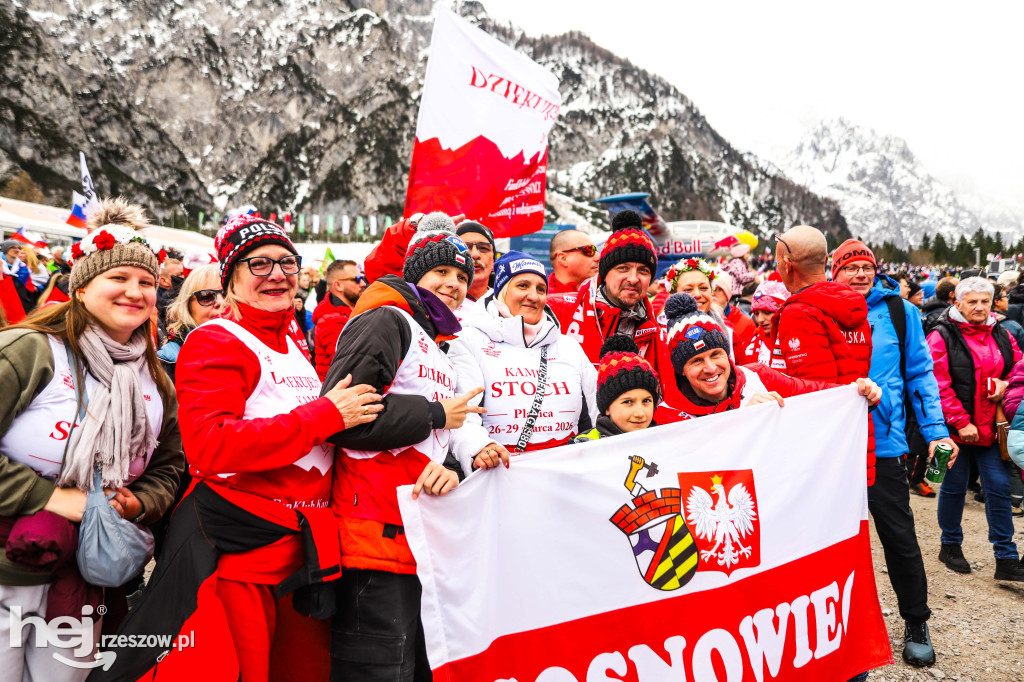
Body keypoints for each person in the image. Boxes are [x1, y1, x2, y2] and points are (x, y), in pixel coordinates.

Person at [168, 213, 384, 680]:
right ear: (230, 279)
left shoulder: (290, 339)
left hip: (305, 551)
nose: (277, 275)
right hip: (245, 555)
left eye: (287, 262)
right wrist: (325, 415)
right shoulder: (215, 340)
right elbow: (209, 446)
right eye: (259, 264)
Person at [0, 212, 185, 680]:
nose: (134, 291)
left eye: (146, 282)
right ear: (81, 288)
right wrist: (49, 496)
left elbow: (168, 466)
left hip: (87, 569)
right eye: (118, 277)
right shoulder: (32, 349)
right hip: (8, 559)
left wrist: (138, 501)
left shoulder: (155, 378)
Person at [324, 212, 486, 681]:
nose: (453, 283)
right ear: (415, 274)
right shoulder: (386, 318)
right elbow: (342, 419)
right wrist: (434, 414)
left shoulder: (435, 340)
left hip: (416, 533)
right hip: (371, 533)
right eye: (441, 271)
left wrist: (450, 466)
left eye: (462, 276)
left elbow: (430, 441)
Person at [832, 239, 957, 668]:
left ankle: (916, 621)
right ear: (835, 272)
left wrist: (936, 432)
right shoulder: (819, 308)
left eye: (866, 267)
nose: (860, 274)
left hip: (884, 443)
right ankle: (834, 627)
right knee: (831, 541)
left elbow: (921, 374)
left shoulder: (900, 312)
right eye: (850, 267)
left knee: (899, 536)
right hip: (832, 445)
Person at [449, 251, 597, 468]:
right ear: (502, 291)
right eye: (523, 286)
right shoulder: (469, 340)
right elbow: (462, 415)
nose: (534, 296)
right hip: (502, 471)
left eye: (541, 289)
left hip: (566, 472)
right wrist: (479, 448)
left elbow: (595, 411)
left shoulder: (569, 346)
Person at [927, 276, 1024, 582]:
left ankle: (1006, 557)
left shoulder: (1001, 332)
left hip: (992, 429)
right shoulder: (941, 335)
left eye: (985, 301)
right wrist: (960, 421)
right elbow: (937, 384)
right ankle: (950, 545)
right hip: (955, 431)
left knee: (999, 488)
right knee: (953, 488)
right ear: (957, 303)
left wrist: (1005, 384)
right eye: (972, 302)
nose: (980, 307)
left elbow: (1018, 368)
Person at [655, 293, 880, 423]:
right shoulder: (667, 414)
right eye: (696, 361)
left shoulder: (758, 376)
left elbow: (819, 395)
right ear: (681, 369)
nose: (711, 368)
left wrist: (858, 393)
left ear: (727, 354)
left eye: (716, 354)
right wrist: (743, 420)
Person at [548, 210, 662, 369]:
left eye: (643, 270)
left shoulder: (656, 329)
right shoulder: (554, 309)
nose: (633, 278)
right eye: (623, 268)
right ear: (605, 274)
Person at [574, 335, 661, 440]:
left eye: (646, 401)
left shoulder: (664, 441)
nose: (640, 413)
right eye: (628, 402)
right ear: (607, 408)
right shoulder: (585, 446)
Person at [158, 263, 225, 383]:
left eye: (227, 295)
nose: (220, 302)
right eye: (206, 296)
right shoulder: (166, 362)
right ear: (187, 307)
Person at [312, 259, 365, 381]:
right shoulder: (330, 320)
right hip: (340, 389)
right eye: (357, 279)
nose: (363, 283)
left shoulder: (355, 309)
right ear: (338, 285)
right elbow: (351, 366)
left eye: (362, 278)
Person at [738, 279, 789, 365]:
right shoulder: (750, 342)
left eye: (767, 312)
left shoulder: (794, 340)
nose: (760, 319)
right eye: (756, 313)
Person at [456, 220, 497, 306]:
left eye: (483, 248)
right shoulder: (435, 301)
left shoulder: (507, 302)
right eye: (465, 248)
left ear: (493, 260)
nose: (475, 255)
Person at [548, 228, 599, 295]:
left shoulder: (605, 293)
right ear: (563, 259)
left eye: (596, 250)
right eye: (589, 250)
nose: (598, 257)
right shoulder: (540, 297)